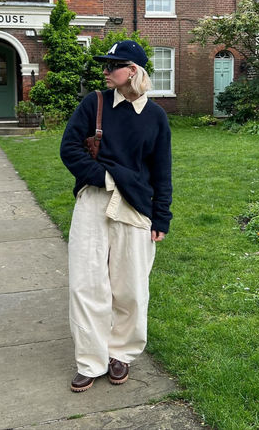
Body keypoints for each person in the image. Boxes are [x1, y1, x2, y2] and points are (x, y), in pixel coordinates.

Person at [60, 40, 172, 392]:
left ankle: (121, 353)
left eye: (113, 66)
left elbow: (161, 171)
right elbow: (70, 149)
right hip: (93, 200)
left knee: (131, 288)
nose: (106, 72)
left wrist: (161, 218)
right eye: (105, 66)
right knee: (86, 284)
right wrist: (106, 177)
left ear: (133, 71)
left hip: (136, 207)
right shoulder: (93, 104)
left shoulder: (155, 116)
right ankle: (90, 361)